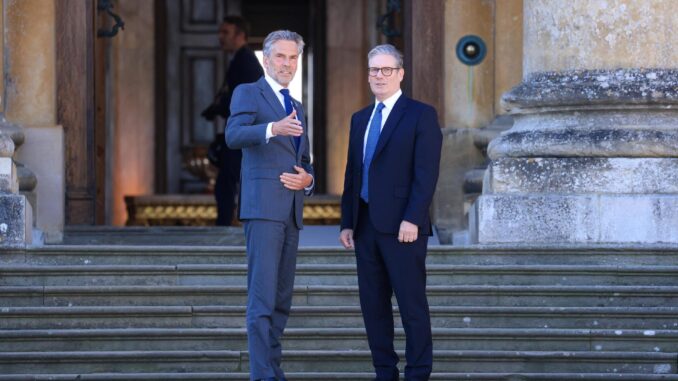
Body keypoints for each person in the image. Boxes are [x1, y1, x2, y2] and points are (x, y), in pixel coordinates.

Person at [339, 44, 442, 381]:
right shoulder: (359, 119)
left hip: (403, 226)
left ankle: (417, 372)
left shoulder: (420, 114)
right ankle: (385, 371)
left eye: (386, 69)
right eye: (373, 70)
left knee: (412, 305)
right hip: (365, 225)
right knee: (374, 306)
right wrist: (346, 222)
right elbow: (353, 174)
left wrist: (413, 217)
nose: (378, 76)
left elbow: (426, 174)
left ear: (400, 73)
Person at [226, 30, 314, 381]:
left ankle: (273, 372)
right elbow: (233, 136)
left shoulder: (298, 106)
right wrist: (271, 128)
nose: (287, 64)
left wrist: (309, 181)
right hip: (262, 210)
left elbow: (305, 161)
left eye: (293, 58)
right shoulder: (248, 92)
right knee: (261, 302)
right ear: (266, 59)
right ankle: (262, 375)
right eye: (281, 56)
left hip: (292, 212)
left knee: (281, 302)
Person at [202, 15, 264, 226]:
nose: (220, 37)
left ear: (240, 36)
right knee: (227, 181)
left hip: (242, 134)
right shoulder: (240, 59)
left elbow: (245, 96)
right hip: (241, 132)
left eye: (225, 33)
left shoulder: (245, 61)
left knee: (228, 182)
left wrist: (219, 107)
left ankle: (226, 226)